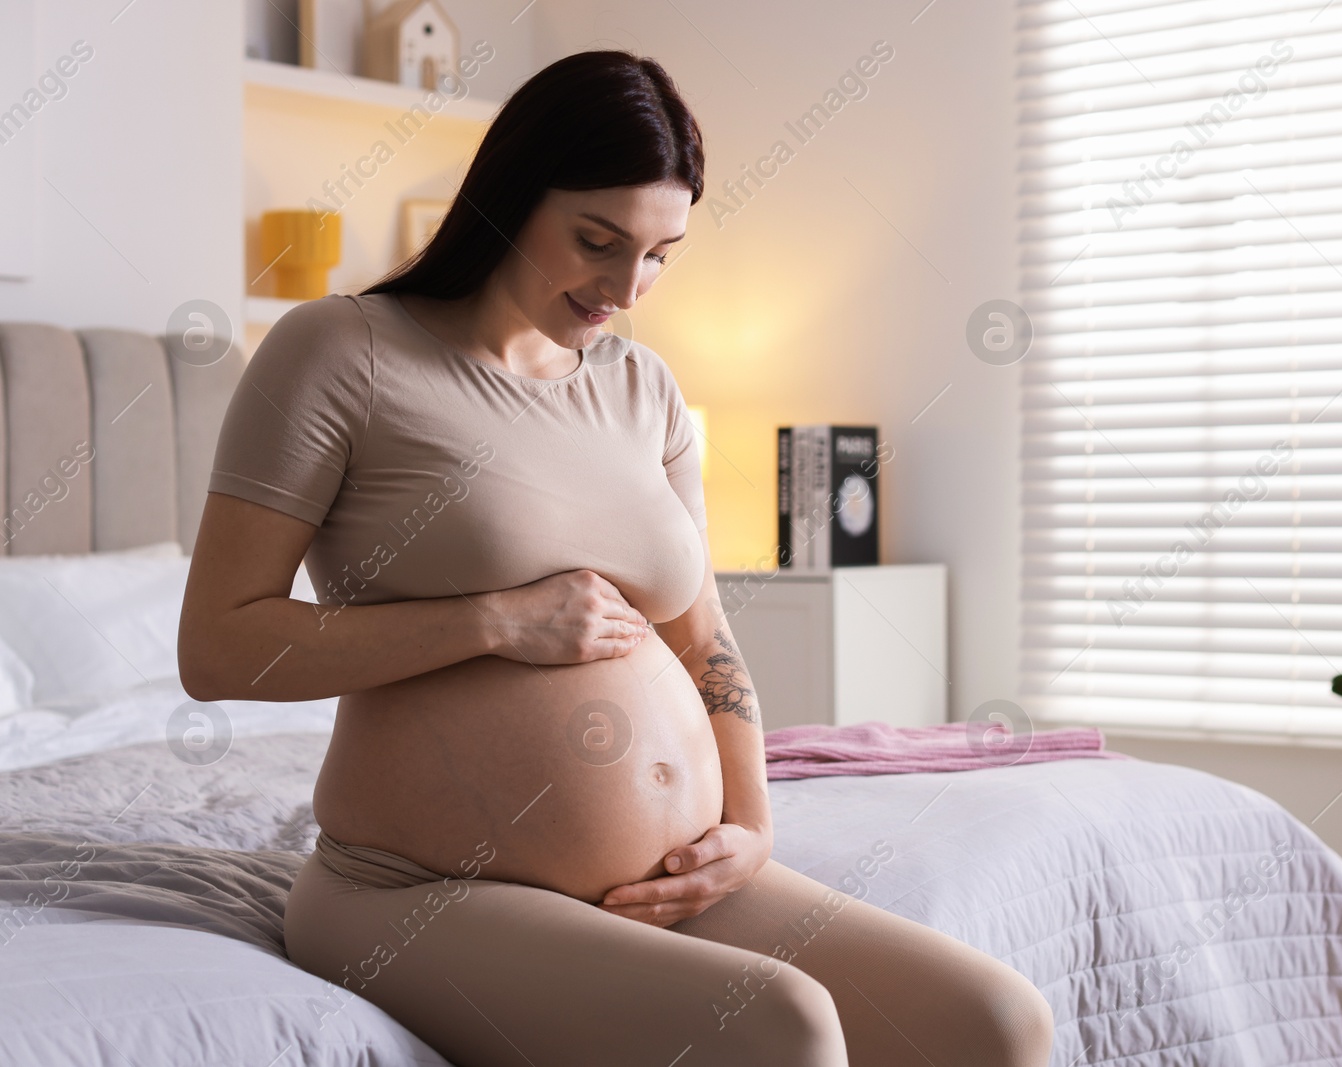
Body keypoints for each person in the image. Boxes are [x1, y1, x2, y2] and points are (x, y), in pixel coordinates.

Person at [178, 49, 1054, 1067]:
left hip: (670, 879)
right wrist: (496, 619)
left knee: (1001, 1021)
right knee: (787, 1024)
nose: (626, 287)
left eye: (660, 254)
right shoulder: (342, 352)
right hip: (417, 890)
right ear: (509, 197)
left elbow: (705, 637)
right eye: (597, 241)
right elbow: (219, 645)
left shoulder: (643, 389)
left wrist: (750, 827)